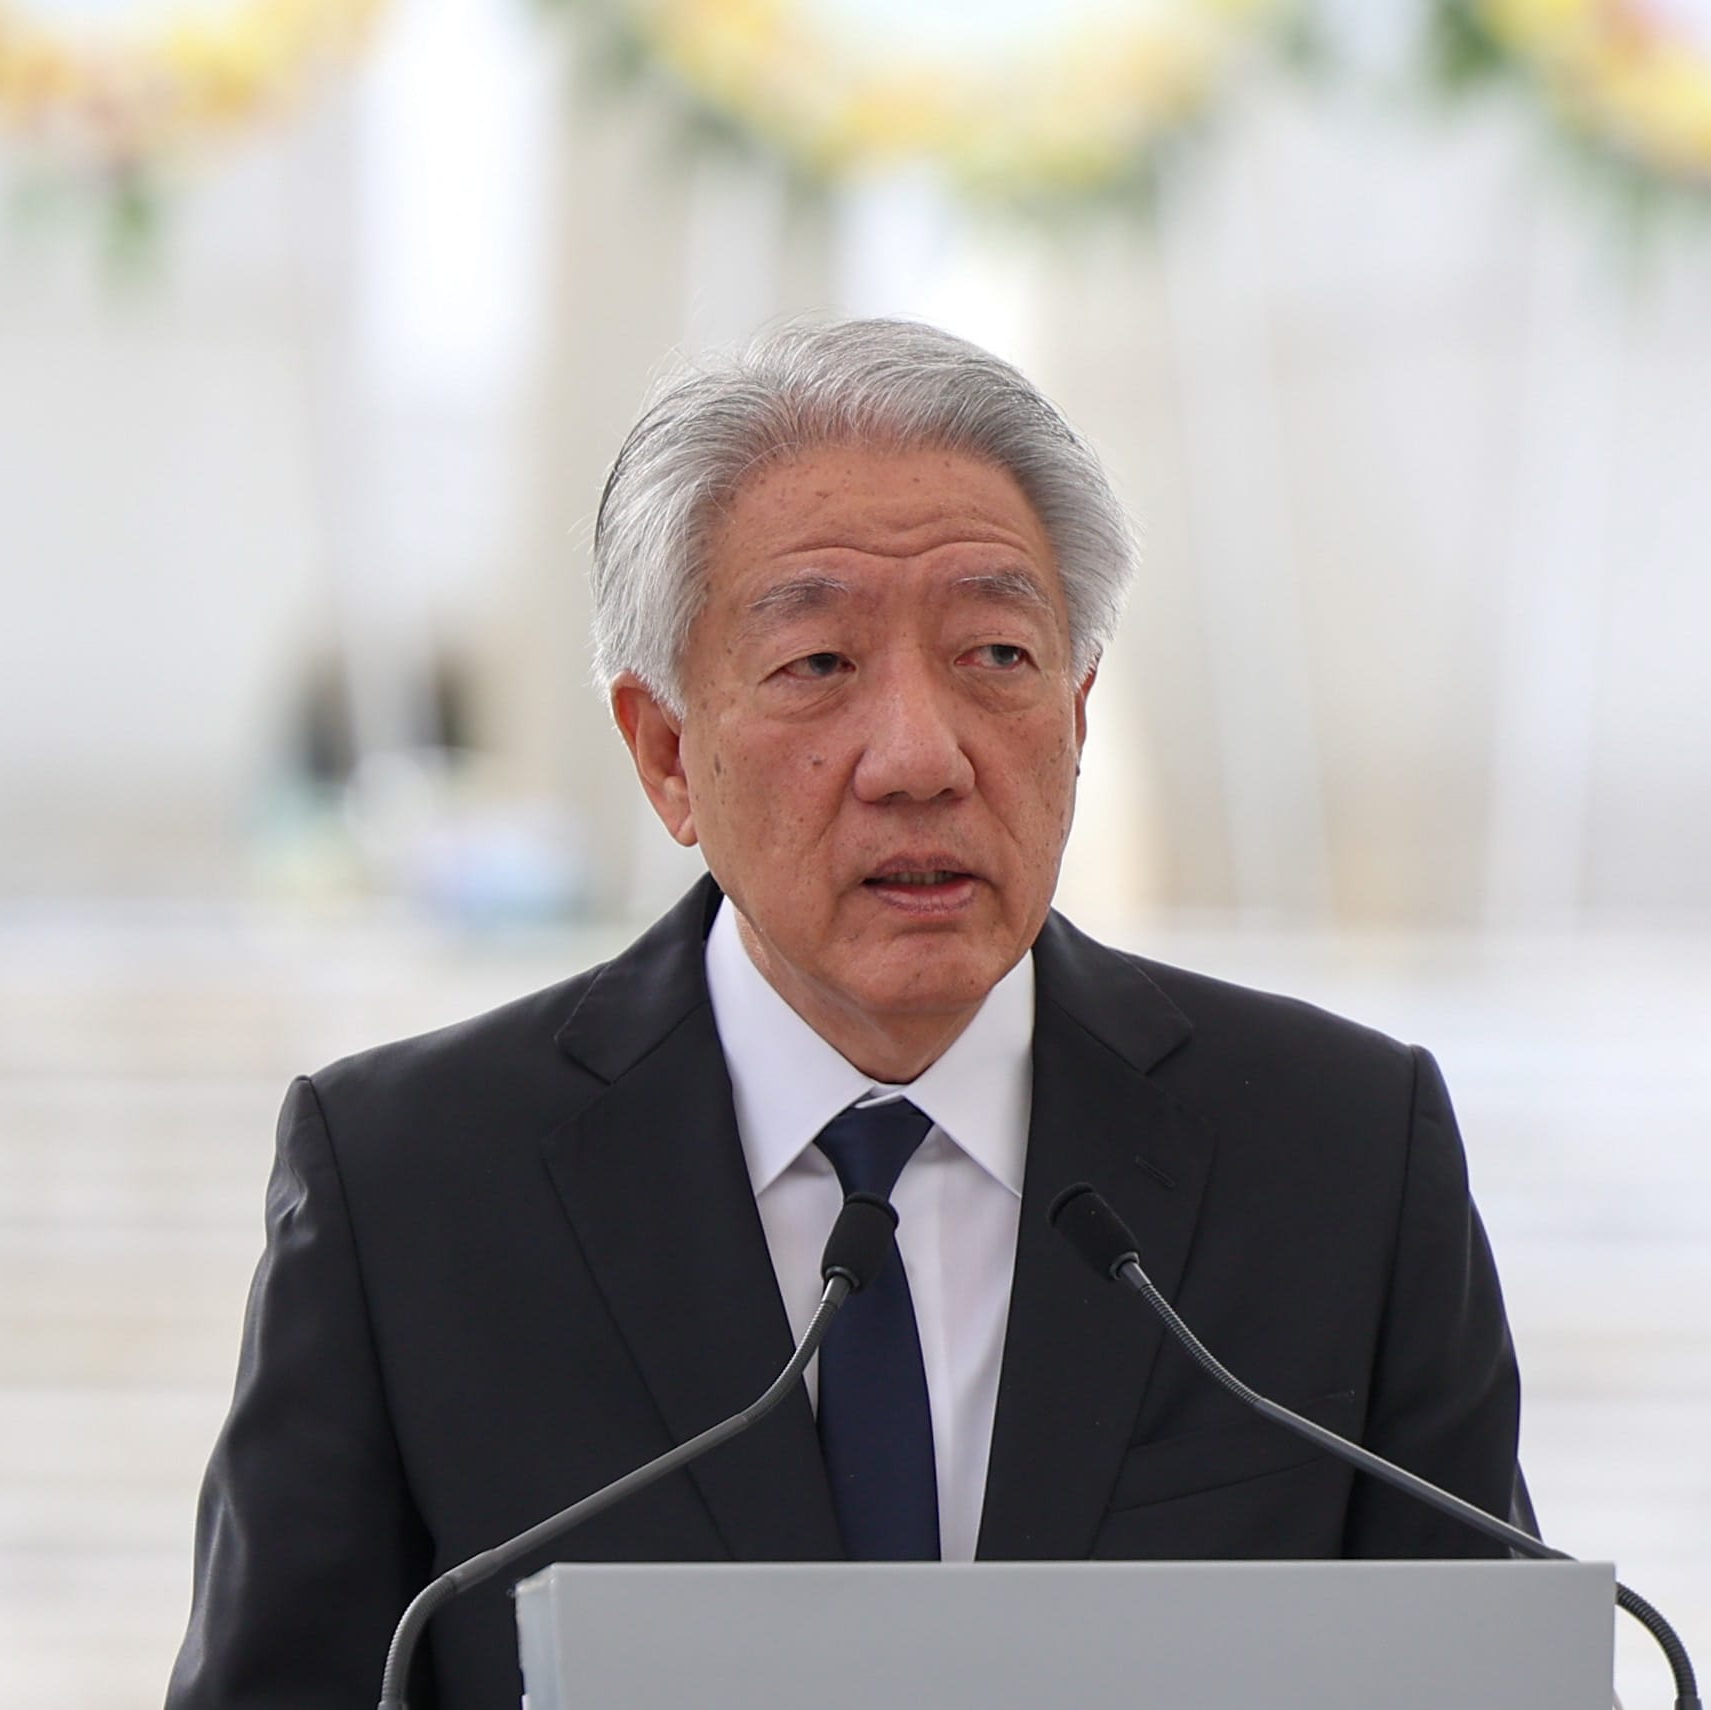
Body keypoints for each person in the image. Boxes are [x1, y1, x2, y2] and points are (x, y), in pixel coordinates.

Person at [165, 318, 1531, 1710]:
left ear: (1076, 714)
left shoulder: (1340, 1156)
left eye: (994, 655)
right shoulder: (416, 1181)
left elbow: (1493, 1676)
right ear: (663, 753)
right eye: (818, 665)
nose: (919, 757)